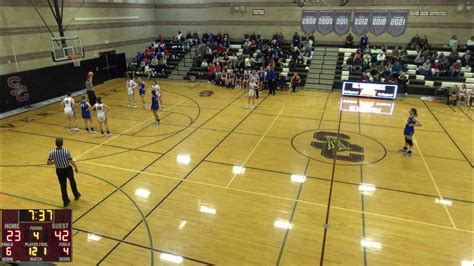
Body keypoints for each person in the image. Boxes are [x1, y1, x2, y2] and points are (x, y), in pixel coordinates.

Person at [47, 138, 80, 207]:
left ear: (56, 144)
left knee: (63, 186)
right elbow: (70, 160)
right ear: (62, 144)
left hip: (59, 170)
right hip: (68, 169)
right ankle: (76, 195)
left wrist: (54, 162)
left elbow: (48, 163)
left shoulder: (52, 152)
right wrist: (76, 167)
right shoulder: (66, 151)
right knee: (72, 182)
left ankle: (65, 201)